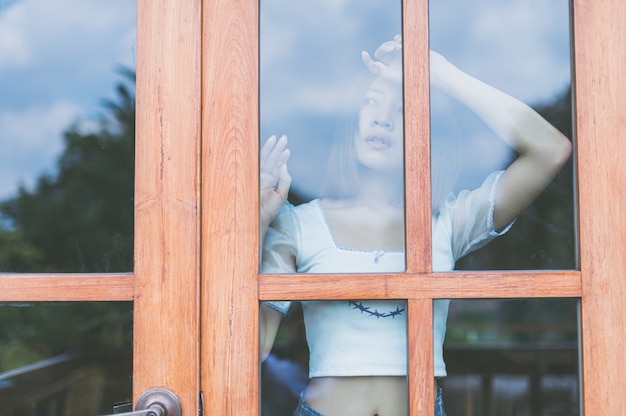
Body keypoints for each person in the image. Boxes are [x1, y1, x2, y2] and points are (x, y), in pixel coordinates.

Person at [259, 35, 572, 416]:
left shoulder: (446, 223)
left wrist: (437, 70)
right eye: (370, 103)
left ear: (425, 131)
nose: (381, 118)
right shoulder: (298, 225)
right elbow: (255, 348)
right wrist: (258, 223)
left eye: (402, 109)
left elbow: (550, 149)